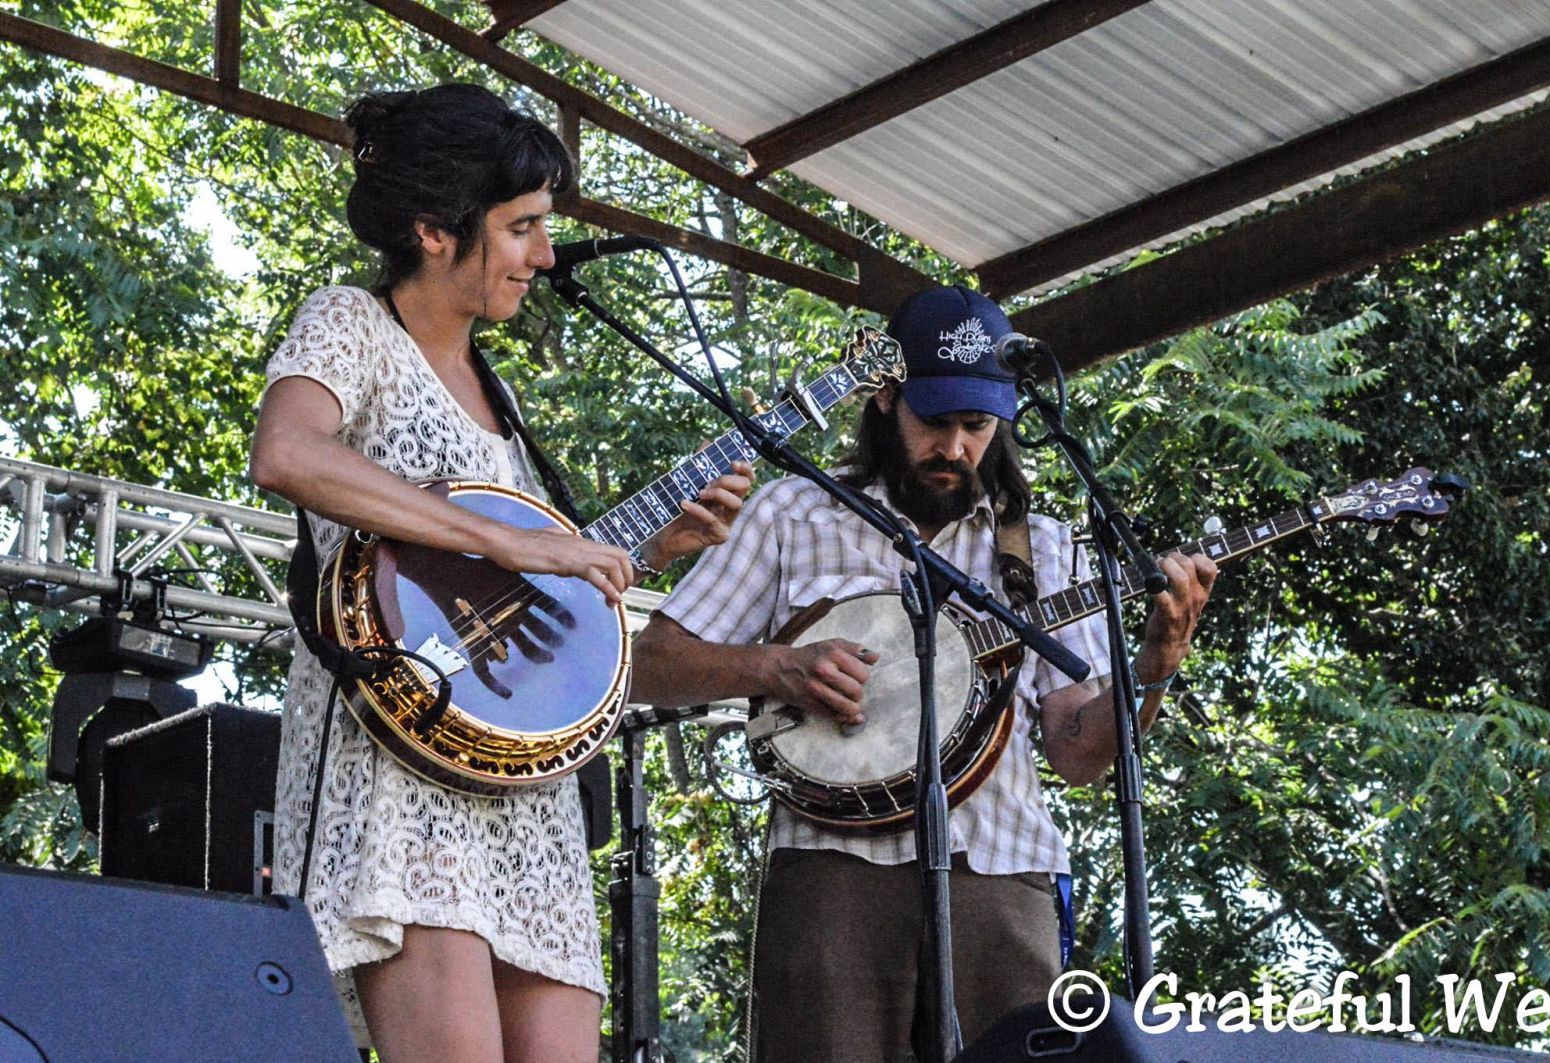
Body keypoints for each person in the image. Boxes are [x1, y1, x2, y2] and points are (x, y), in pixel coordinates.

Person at [249, 83, 752, 1063]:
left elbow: (500, 591)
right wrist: (513, 541)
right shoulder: (352, 324)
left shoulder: (500, 396)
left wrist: (650, 548)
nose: (546, 256)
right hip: (403, 778)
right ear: (435, 230)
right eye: (521, 228)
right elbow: (287, 453)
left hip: (528, 799)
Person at [630, 285, 1217, 1061]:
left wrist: (1155, 666)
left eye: (977, 426)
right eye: (934, 421)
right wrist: (777, 665)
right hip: (833, 868)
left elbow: (1078, 750)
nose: (955, 448)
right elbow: (649, 664)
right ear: (885, 398)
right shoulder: (793, 513)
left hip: (1000, 867)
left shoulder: (1039, 546)